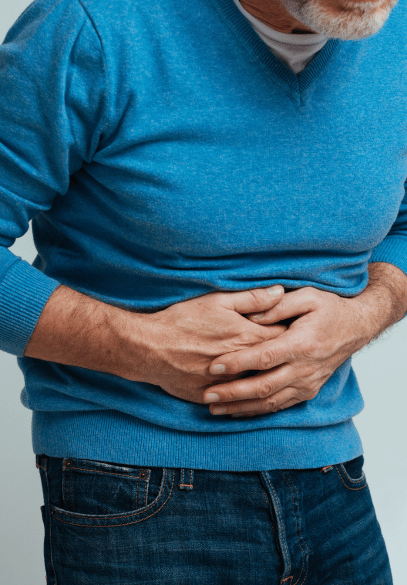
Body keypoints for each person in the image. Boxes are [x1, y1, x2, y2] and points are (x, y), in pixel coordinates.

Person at [0, 0, 406, 581]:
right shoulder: (94, 25)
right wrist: (139, 345)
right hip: (132, 488)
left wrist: (363, 316)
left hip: (334, 479)